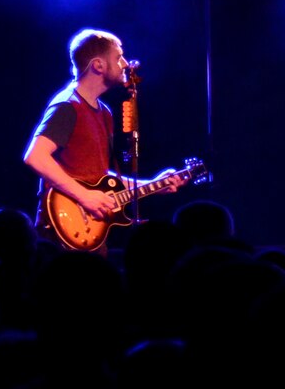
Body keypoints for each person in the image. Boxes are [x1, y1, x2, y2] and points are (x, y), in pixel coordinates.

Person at [22, 29, 185, 247]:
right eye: (118, 58)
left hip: (92, 235)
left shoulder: (104, 112)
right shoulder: (68, 106)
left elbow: (99, 176)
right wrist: (83, 196)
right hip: (61, 234)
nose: (125, 64)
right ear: (98, 65)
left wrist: (154, 184)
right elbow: (35, 156)